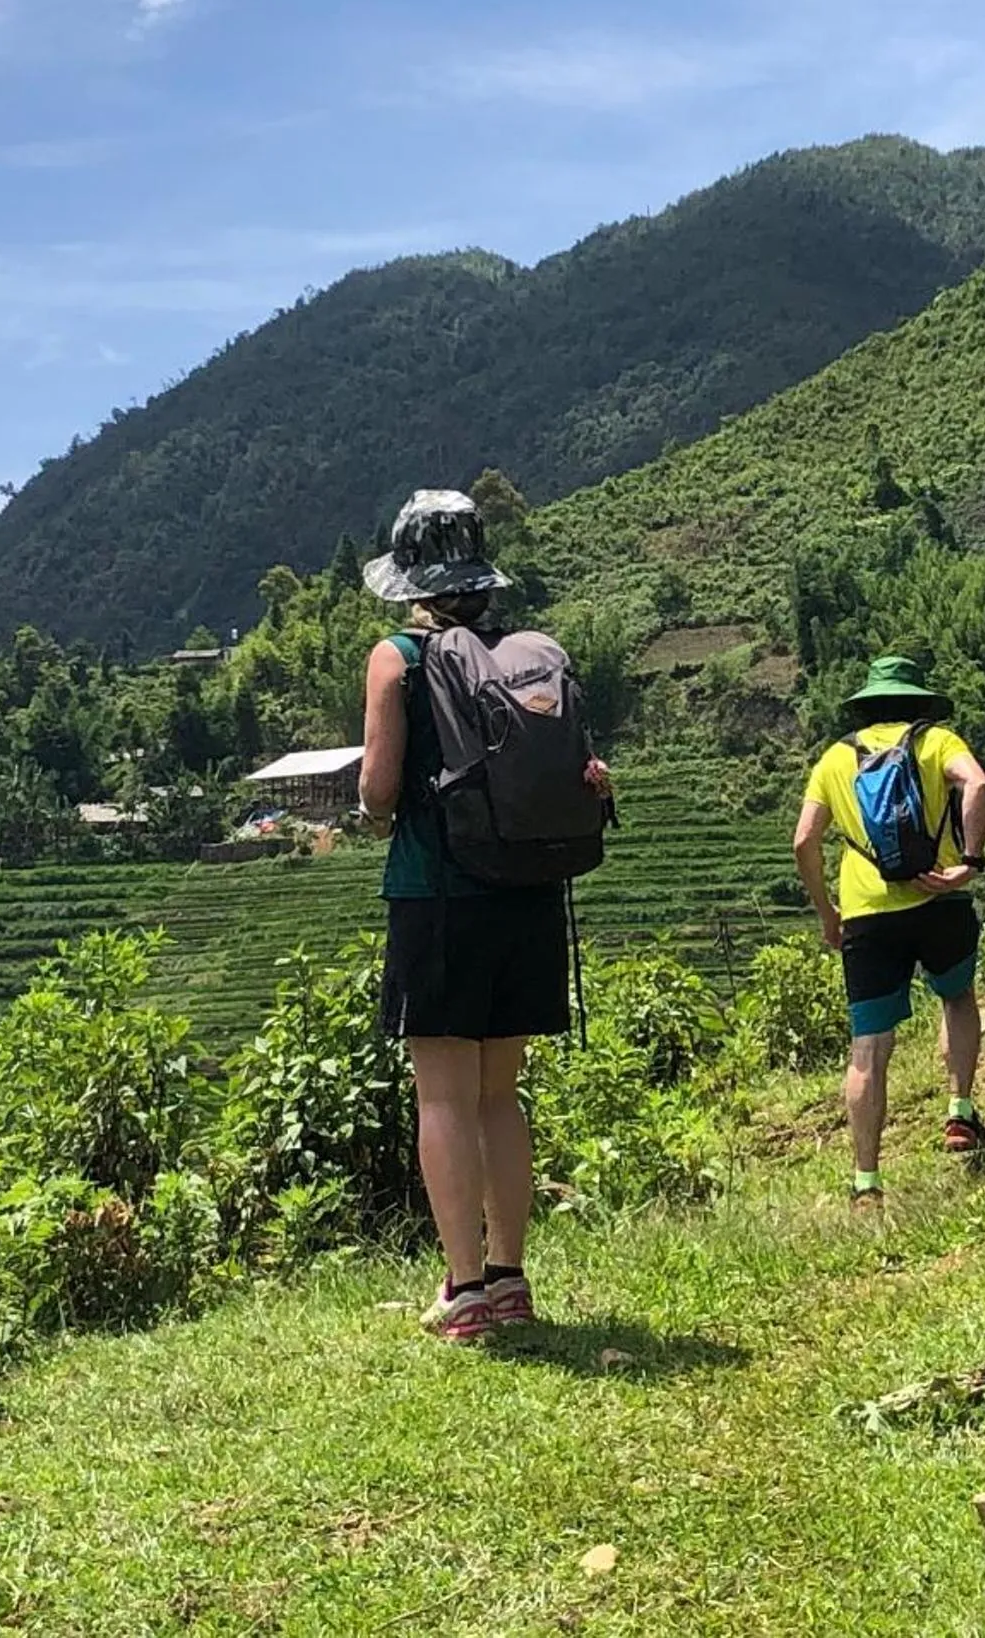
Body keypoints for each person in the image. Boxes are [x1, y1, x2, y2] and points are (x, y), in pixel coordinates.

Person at [357, 489, 611, 1343]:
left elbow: (379, 792)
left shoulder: (399, 659)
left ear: (410, 580)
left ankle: (462, 1291)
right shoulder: (528, 654)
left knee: (443, 1098)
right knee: (501, 1095)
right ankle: (509, 1278)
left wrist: (370, 803)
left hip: (438, 895)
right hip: (528, 891)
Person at [792, 656, 985, 1212]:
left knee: (869, 1047)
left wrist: (827, 912)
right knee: (956, 997)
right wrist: (969, 862)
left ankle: (866, 1181)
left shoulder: (836, 758)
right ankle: (959, 1113)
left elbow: (803, 842)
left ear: (866, 706)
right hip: (939, 898)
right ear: (916, 703)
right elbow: (976, 783)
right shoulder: (936, 742)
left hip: (866, 914)